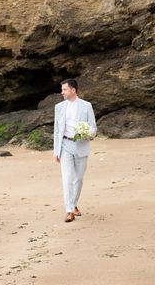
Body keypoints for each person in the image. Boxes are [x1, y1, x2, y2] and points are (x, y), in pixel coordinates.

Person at [53, 79, 97, 223]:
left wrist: (86, 133)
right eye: (62, 89)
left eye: (64, 89)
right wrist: (56, 151)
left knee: (78, 179)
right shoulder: (59, 107)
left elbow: (93, 128)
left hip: (81, 145)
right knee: (67, 178)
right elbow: (57, 131)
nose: (62, 92)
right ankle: (69, 210)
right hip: (65, 145)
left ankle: (74, 203)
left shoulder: (86, 106)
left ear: (73, 90)